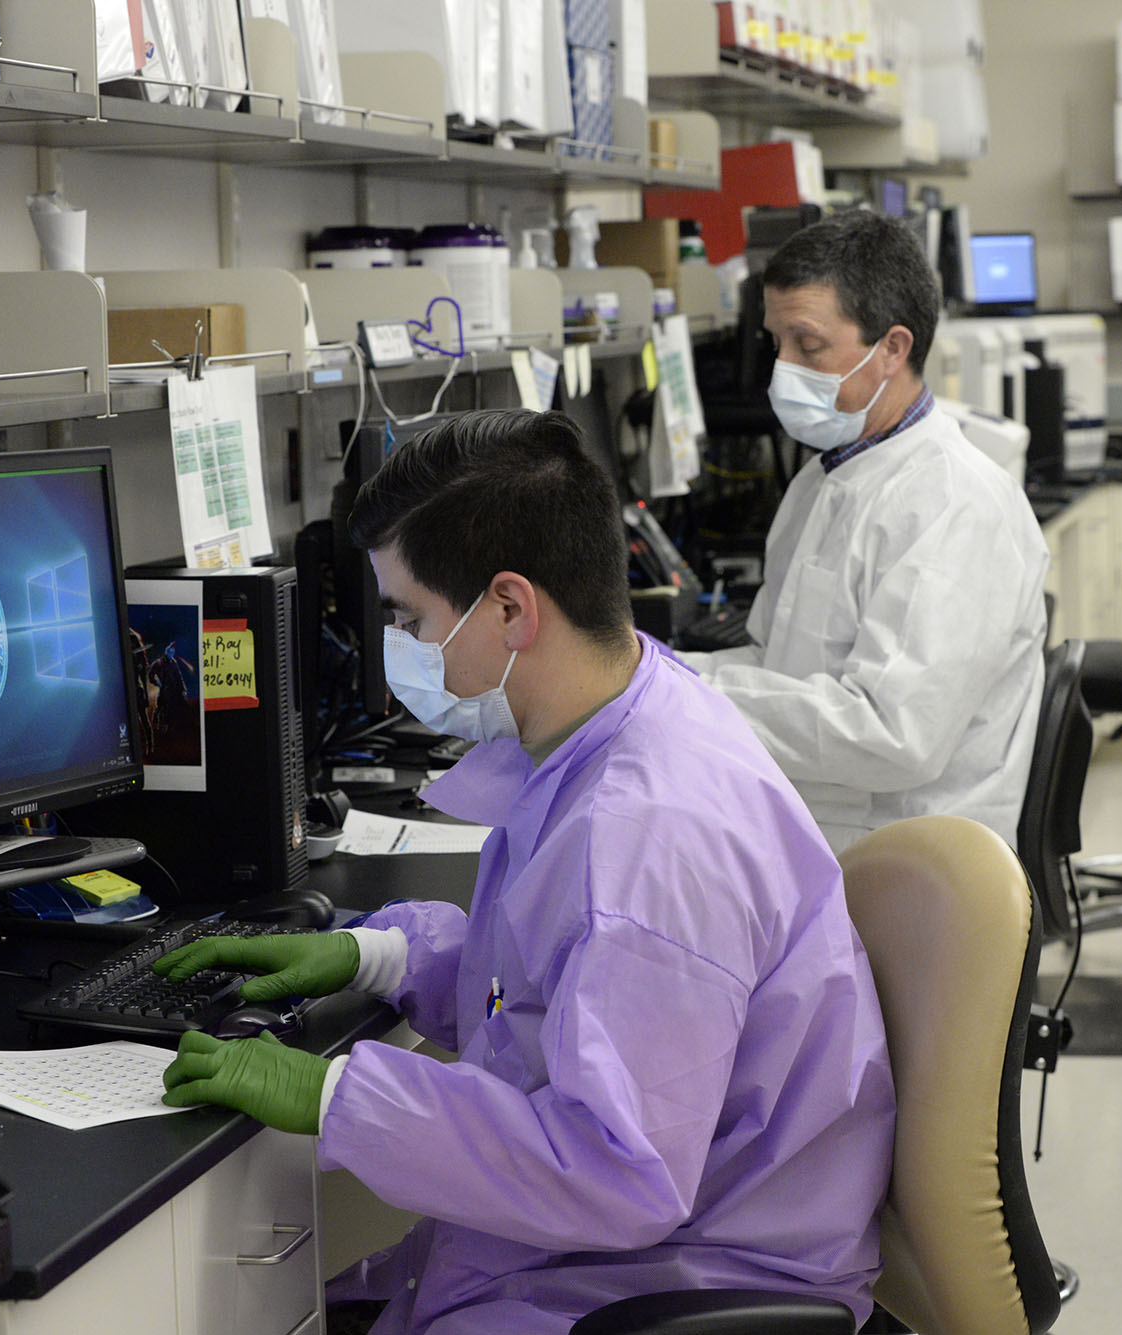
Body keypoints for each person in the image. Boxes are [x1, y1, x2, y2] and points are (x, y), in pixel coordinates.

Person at [152, 410, 895, 1334]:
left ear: (510, 607)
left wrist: (337, 1094)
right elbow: (564, 995)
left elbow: (618, 1172)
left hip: (673, 1281)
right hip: (606, 1250)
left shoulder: (649, 838)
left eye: (408, 617)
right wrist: (379, 960)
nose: (399, 648)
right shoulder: (622, 710)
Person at [681, 209, 1050, 855]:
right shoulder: (825, 480)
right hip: (818, 833)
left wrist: (689, 696)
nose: (781, 368)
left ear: (893, 348)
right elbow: (775, 663)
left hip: (911, 873)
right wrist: (655, 675)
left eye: (808, 344)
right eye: (776, 343)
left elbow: (893, 735)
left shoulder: (955, 505)